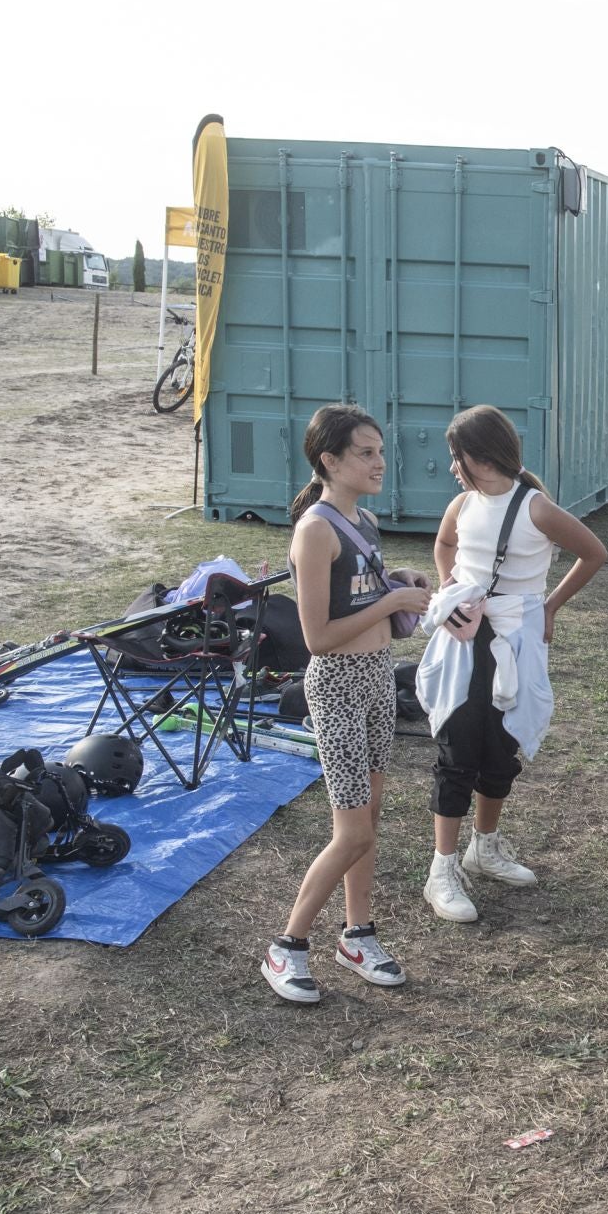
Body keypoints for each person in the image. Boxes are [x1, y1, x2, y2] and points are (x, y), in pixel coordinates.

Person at [263, 404, 434, 1005]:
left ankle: (357, 934)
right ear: (328, 461)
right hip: (336, 684)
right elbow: (318, 638)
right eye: (365, 452)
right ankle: (287, 946)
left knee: (369, 824)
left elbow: (360, 592)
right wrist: (391, 605)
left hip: (377, 679)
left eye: (380, 451)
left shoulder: (363, 519)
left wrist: (398, 583)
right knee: (352, 832)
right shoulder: (315, 529)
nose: (379, 462)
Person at [420, 405, 606, 921]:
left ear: (479, 455)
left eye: (456, 457)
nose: (453, 468)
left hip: (516, 640)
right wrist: (450, 588)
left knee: (502, 748)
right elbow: (444, 545)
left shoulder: (536, 508)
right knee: (458, 748)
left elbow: (593, 553)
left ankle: (485, 847)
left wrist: (548, 607)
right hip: (466, 642)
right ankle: (442, 869)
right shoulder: (462, 504)